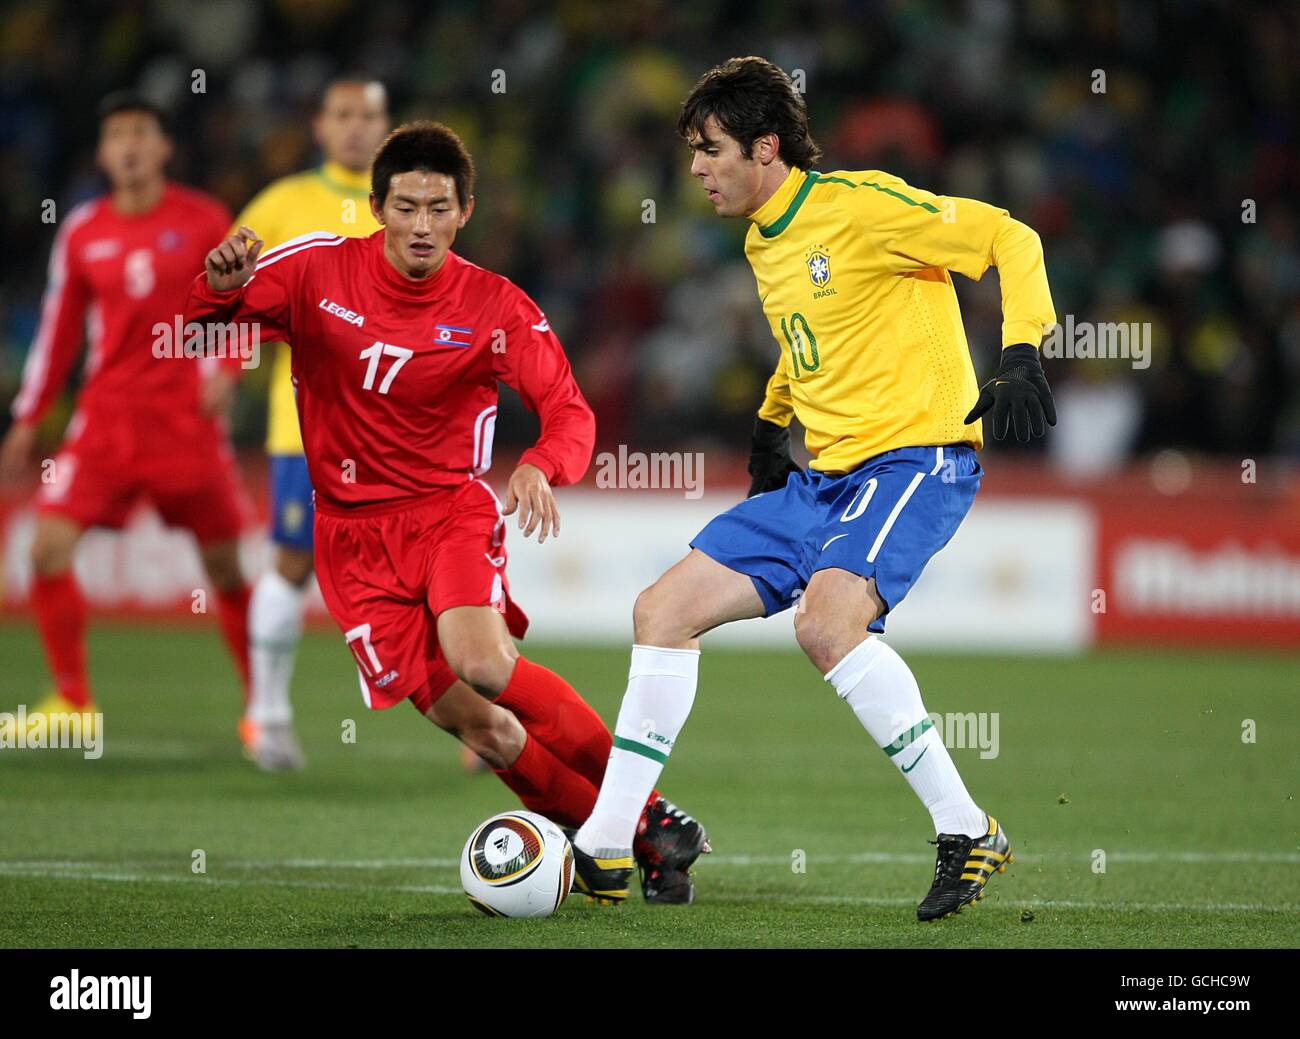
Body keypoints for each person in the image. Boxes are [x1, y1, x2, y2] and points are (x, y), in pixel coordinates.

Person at [572, 57, 1057, 918]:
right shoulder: (765, 237)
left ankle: (967, 827)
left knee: (827, 623)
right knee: (661, 610)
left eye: (710, 149)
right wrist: (770, 423)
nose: (696, 169)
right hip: (826, 476)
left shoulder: (864, 205)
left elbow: (1009, 239)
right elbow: (811, 346)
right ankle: (606, 844)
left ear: (765, 147)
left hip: (918, 456)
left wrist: (1021, 352)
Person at [184, 121, 709, 904]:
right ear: (376, 207)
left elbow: (569, 412)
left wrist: (539, 463)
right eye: (406, 207)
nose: (421, 225)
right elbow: (199, 324)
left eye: (438, 207)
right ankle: (638, 842)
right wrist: (219, 286)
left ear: (465, 211)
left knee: (483, 661)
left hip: (447, 512)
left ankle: (647, 806)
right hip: (349, 538)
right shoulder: (314, 270)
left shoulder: (496, 304)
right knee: (485, 728)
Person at [0, 92, 251, 743]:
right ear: (104, 152)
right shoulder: (83, 230)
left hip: (184, 423)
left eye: (142, 132)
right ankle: (74, 701)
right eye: (118, 135)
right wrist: (29, 417)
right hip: (105, 421)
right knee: (46, 549)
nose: (130, 145)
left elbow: (243, 302)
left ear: (165, 147)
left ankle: (262, 705)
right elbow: (58, 331)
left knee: (225, 569)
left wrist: (226, 369)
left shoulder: (203, 220)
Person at [232, 76, 389, 770]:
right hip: (308, 426)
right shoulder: (282, 204)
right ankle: (265, 715)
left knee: (423, 566)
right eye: (344, 115)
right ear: (320, 127)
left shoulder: (406, 205)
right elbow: (222, 291)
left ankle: (474, 716)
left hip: (399, 431)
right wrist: (220, 367)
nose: (357, 127)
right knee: (293, 563)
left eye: (371, 116)